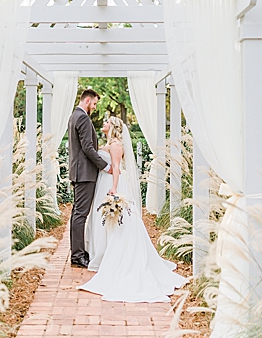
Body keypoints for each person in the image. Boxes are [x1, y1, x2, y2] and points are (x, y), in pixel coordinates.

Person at [78, 116, 187, 303]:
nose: (103, 124)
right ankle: (102, 254)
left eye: (106, 122)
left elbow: (117, 168)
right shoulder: (110, 143)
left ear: (112, 126)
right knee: (103, 221)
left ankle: (111, 256)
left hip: (113, 184)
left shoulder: (115, 145)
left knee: (117, 221)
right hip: (105, 182)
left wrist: (114, 189)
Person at [67, 89, 111, 268]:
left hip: (78, 172)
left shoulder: (73, 116)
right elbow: (87, 148)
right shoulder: (83, 117)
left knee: (77, 213)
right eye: (94, 103)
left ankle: (77, 252)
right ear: (87, 100)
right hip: (85, 173)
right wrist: (105, 165)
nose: (94, 107)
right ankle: (77, 256)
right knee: (80, 214)